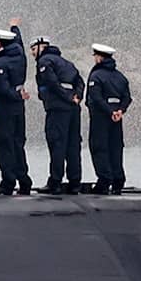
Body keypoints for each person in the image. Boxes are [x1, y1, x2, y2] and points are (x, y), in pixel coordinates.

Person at [36, 39, 86, 191]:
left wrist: (66, 97)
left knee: (57, 143)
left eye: (33, 50)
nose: (32, 53)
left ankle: (55, 181)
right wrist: (77, 97)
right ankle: (75, 182)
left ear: (41, 48)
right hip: (73, 109)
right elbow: (80, 82)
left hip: (58, 109)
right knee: (73, 145)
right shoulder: (68, 63)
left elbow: (51, 82)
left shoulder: (44, 61)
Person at [0, 25, 34, 195]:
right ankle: (24, 181)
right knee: (18, 144)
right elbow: (19, 43)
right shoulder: (20, 56)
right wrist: (15, 28)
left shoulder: (1, 62)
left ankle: (8, 182)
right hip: (18, 110)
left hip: (5, 109)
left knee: (4, 145)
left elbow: (2, 89)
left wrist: (16, 96)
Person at [87, 44, 133, 192]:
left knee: (99, 147)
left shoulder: (96, 76)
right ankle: (118, 181)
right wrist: (120, 111)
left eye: (95, 56)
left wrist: (110, 112)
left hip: (101, 118)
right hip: (117, 119)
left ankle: (104, 181)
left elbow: (96, 98)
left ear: (99, 58)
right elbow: (127, 98)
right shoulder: (120, 77)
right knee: (115, 148)